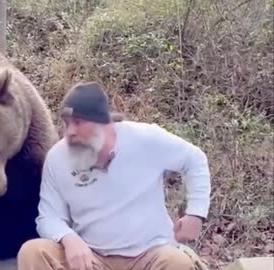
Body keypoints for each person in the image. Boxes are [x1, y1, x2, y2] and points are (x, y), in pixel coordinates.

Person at [17, 81, 211, 270]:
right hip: (91, 258)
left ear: (104, 122)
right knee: (33, 252)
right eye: (66, 124)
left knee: (178, 263)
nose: (70, 132)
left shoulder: (145, 139)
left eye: (78, 122)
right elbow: (48, 217)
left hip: (150, 256)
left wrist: (195, 213)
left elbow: (195, 159)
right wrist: (69, 238)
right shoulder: (58, 158)